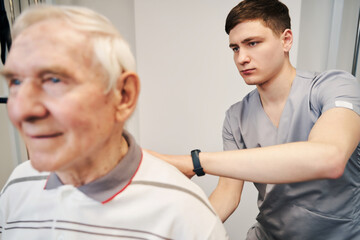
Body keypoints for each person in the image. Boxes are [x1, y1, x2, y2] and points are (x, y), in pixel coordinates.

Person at [0, 5, 229, 240]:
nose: (22, 110)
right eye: (16, 82)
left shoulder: (184, 213)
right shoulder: (17, 186)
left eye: (54, 80)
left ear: (123, 95)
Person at [148, 0, 360, 239]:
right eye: (235, 48)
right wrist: (180, 234)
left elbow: (329, 157)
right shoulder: (236, 116)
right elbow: (227, 194)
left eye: (253, 43)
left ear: (286, 40)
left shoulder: (334, 87)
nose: (242, 58)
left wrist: (193, 162)